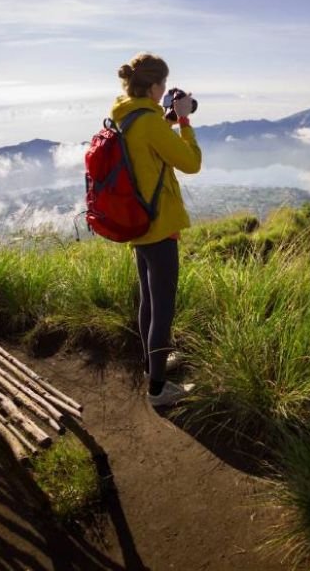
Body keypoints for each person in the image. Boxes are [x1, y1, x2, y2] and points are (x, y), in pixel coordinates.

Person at [113, 52, 201, 407]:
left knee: (149, 301)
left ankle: (153, 364)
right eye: (163, 85)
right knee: (162, 306)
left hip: (138, 222)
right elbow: (191, 163)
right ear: (152, 86)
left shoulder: (128, 114)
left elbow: (145, 144)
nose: (165, 90)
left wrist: (165, 118)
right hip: (159, 224)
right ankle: (158, 390)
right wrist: (183, 122)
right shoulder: (148, 121)